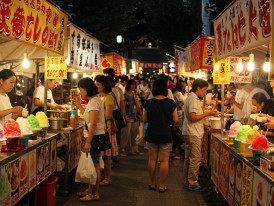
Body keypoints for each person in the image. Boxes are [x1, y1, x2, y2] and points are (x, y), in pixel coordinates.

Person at [182, 79, 219, 191]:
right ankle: (193, 183)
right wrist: (209, 113)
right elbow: (193, 118)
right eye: (204, 90)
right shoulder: (193, 99)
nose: (205, 92)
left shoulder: (193, 98)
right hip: (193, 132)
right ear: (198, 88)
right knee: (195, 159)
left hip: (190, 132)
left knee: (189, 158)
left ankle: (187, 180)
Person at [143, 78, 178, 192]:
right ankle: (162, 185)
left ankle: (152, 183)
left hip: (152, 133)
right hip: (165, 134)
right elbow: (176, 119)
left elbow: (144, 119)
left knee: (152, 159)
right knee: (164, 161)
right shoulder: (170, 103)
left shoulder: (148, 103)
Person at [74, 78, 104, 202]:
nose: (80, 92)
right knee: (93, 164)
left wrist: (88, 142)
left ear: (86, 89)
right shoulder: (93, 101)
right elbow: (88, 118)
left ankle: (94, 193)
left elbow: (93, 124)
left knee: (95, 166)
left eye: (81, 89)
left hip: (95, 138)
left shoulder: (94, 102)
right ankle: (90, 189)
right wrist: (79, 106)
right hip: (94, 136)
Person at [95, 75, 119, 186]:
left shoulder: (108, 97)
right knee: (103, 155)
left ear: (104, 85)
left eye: (98, 84)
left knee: (107, 156)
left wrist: (96, 118)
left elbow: (109, 115)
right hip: (100, 128)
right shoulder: (98, 96)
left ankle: (108, 177)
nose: (96, 86)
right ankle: (105, 175)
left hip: (106, 129)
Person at [120, 80, 143, 156]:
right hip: (128, 117)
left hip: (135, 117)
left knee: (135, 133)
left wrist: (141, 114)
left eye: (135, 85)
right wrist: (125, 116)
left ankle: (135, 149)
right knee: (125, 134)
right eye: (132, 85)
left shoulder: (135, 94)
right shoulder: (124, 95)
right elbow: (123, 107)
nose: (134, 86)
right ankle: (123, 149)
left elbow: (138, 105)